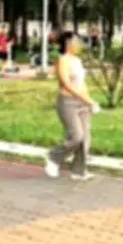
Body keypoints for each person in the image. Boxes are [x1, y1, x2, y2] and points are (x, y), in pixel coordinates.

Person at [44, 32, 100, 181]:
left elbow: (82, 84)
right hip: (68, 103)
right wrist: (87, 100)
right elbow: (66, 85)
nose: (80, 44)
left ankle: (78, 171)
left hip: (83, 102)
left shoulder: (77, 60)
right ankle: (54, 157)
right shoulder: (62, 60)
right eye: (77, 42)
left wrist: (89, 101)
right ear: (68, 43)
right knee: (76, 136)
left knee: (85, 139)